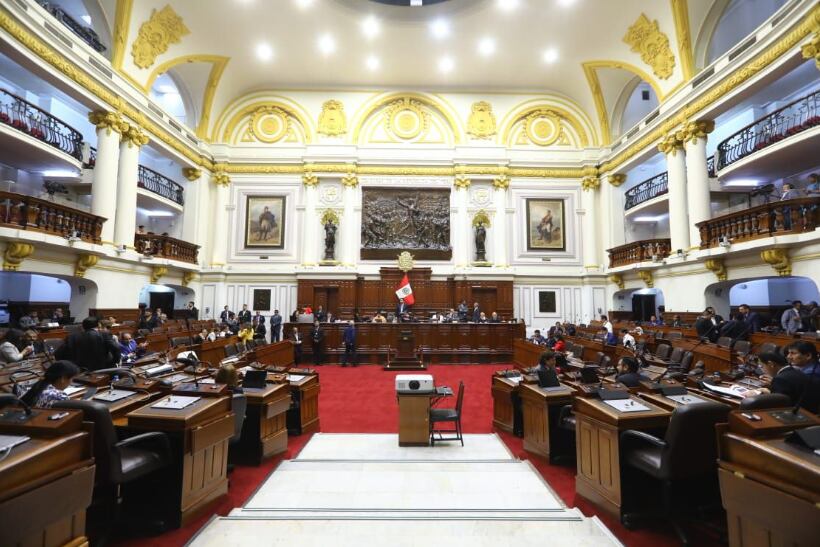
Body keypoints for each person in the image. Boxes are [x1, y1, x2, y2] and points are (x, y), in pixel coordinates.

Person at [55, 317, 121, 371]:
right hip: (102, 370)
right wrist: (114, 362)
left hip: (79, 370)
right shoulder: (104, 335)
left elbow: (58, 354)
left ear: (83, 326)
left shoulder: (72, 336)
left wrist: (71, 365)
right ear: (98, 325)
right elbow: (116, 348)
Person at [768, 343, 819, 413]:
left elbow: (796, 399)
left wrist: (774, 385)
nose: (788, 357)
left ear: (808, 356)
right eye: (789, 353)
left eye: (793, 353)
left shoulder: (813, 374)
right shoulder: (807, 368)